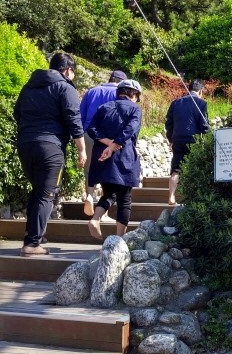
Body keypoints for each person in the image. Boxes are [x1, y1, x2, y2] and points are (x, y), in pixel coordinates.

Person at [14, 52, 86, 257]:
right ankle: (32, 244)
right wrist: (82, 150)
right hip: (51, 148)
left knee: (38, 190)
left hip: (25, 144)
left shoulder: (29, 87)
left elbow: (17, 113)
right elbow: (74, 119)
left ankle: (34, 234)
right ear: (68, 70)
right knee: (47, 194)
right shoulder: (65, 87)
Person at [86, 79, 142, 240]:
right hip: (124, 156)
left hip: (102, 155)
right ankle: (119, 239)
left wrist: (107, 143)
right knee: (124, 199)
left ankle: (95, 219)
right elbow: (130, 129)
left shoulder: (104, 107)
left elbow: (91, 129)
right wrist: (114, 145)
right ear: (134, 94)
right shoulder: (134, 109)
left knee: (109, 194)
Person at [80, 69, 127, 216]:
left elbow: (80, 115)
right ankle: (103, 213)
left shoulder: (92, 91)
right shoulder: (119, 94)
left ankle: (89, 195)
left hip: (88, 134)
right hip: (108, 138)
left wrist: (80, 136)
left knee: (89, 169)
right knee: (107, 171)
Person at [165, 79, 209, 205]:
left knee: (176, 169)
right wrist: (204, 140)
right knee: (195, 167)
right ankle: (194, 197)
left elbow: (169, 123)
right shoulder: (201, 103)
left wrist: (171, 139)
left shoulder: (175, 103)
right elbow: (204, 125)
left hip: (178, 139)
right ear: (201, 91)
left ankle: (172, 197)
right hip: (193, 140)